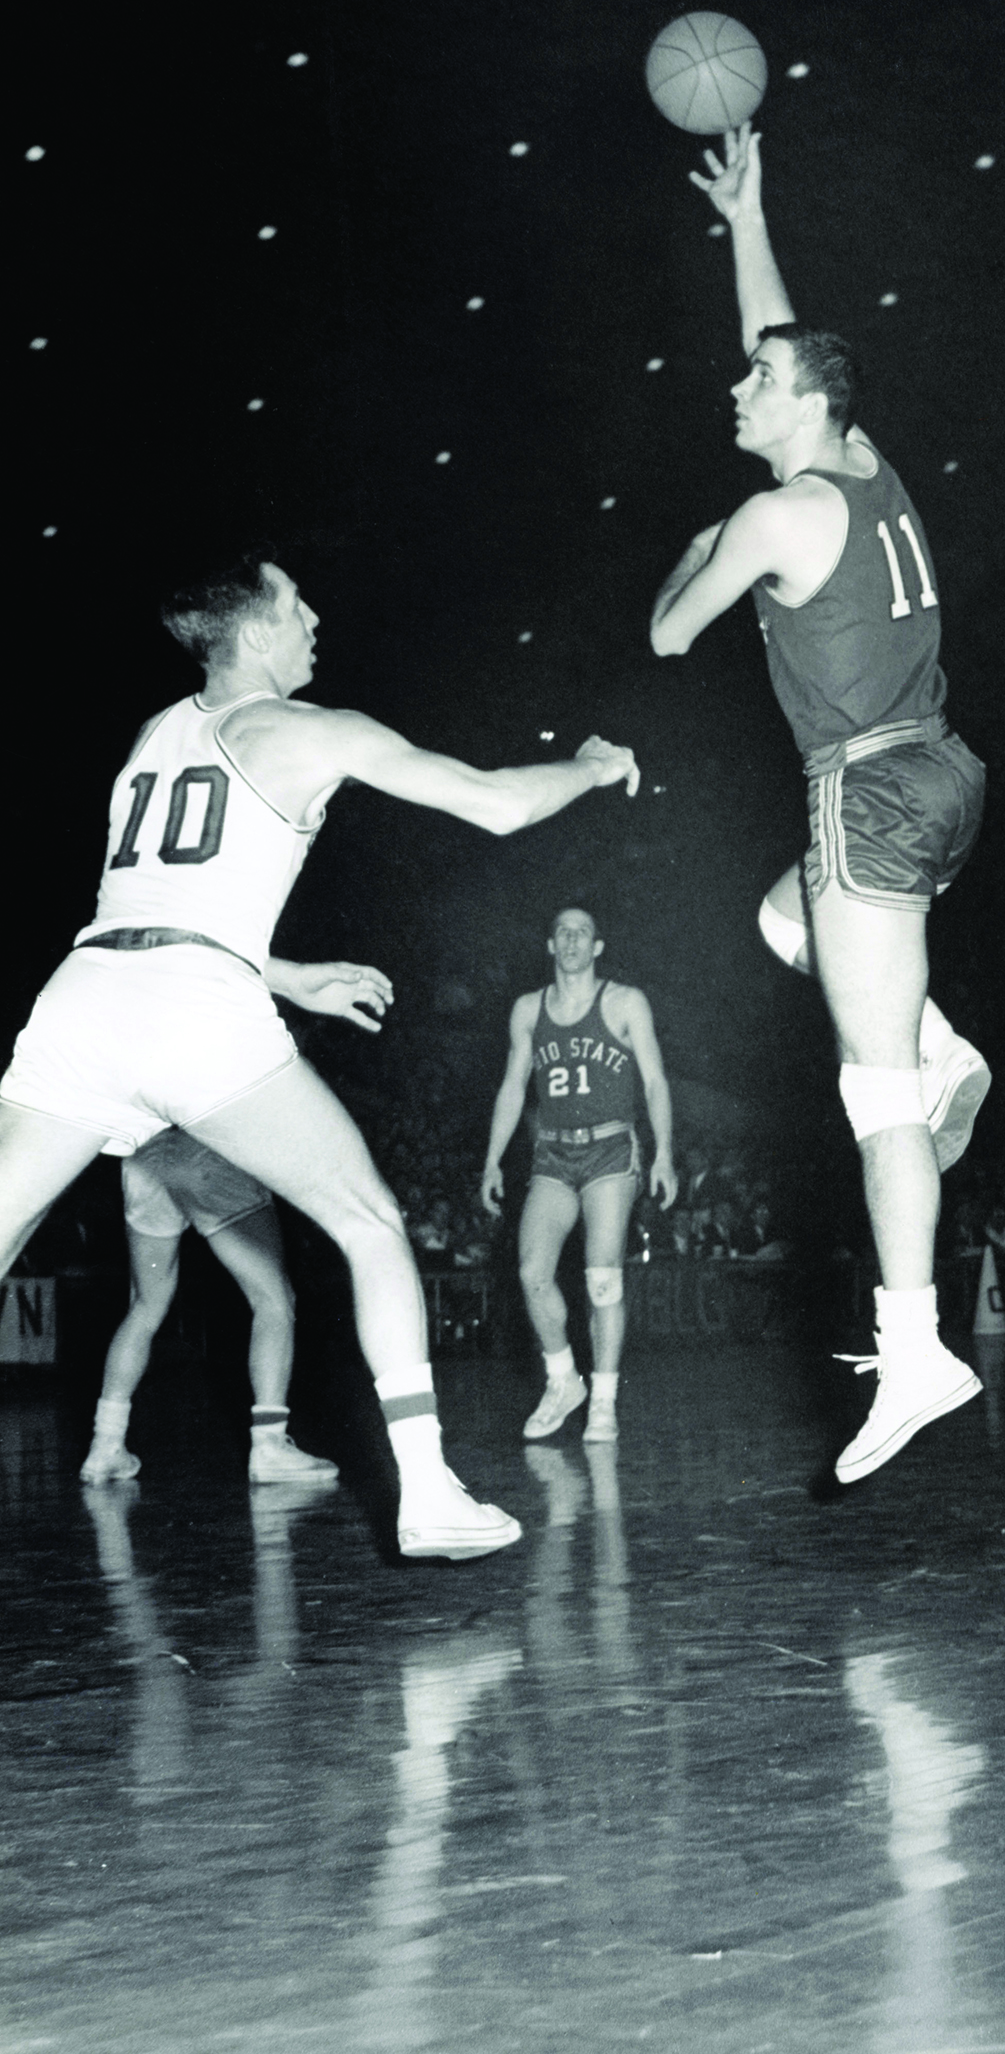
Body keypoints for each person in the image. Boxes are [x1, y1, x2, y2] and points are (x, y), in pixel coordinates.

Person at [0, 553, 640, 1560]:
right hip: (194, 1008)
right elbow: (496, 801)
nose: (314, 618)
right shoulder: (309, 731)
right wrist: (595, 769)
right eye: (296, 605)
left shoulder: (152, 737)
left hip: (81, 1001)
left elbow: (161, 905)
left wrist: (290, 978)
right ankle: (426, 1491)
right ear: (253, 632)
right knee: (371, 1221)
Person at [650, 124, 989, 1483]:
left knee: (875, 1091)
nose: (738, 386)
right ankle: (948, 1045)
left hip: (867, 796)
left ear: (806, 405)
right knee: (779, 922)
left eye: (757, 380)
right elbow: (789, 329)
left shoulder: (778, 517)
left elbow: (672, 637)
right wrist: (749, 212)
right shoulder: (867, 460)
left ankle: (917, 1351)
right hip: (945, 773)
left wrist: (689, 553)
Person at [480, 907, 677, 1445]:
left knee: (602, 1277)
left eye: (581, 932)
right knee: (531, 1272)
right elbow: (513, 1088)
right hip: (552, 1154)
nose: (570, 940)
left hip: (611, 1149)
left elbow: (656, 1082)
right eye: (561, 932)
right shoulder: (527, 1010)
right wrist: (492, 1159)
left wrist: (664, 1155)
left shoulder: (624, 1002)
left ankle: (605, 1402)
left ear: (597, 946)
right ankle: (564, 1380)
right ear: (550, 946)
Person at [82, 1124, 341, 1486]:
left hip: (143, 1160)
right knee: (274, 1301)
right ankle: (269, 1446)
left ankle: (105, 1446)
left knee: (145, 1307)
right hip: (204, 1151)